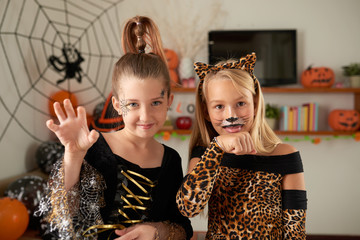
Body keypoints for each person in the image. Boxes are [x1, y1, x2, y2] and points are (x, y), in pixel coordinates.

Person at [35, 16, 192, 240]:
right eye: (133, 104)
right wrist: (73, 154)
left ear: (169, 101)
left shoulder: (171, 160)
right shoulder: (92, 147)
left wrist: (156, 231)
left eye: (155, 102)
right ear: (117, 105)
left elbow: (182, 227)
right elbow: (60, 217)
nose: (145, 115)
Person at [176, 53, 307, 239]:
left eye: (240, 103)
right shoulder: (205, 155)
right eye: (219, 106)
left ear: (254, 104)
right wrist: (217, 147)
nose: (231, 115)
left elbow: (295, 228)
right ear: (206, 112)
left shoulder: (286, 155)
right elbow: (187, 207)